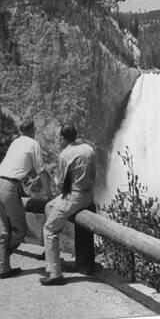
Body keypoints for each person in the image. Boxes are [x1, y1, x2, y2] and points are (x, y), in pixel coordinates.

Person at [0, 118, 51, 279]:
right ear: (32, 130)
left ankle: (2, 266)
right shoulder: (33, 144)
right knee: (20, 229)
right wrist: (49, 195)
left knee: (2, 228)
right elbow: (41, 171)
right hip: (9, 186)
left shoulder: (15, 142)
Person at [40, 121, 96, 286]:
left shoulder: (65, 155)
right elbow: (93, 173)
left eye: (58, 137)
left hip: (73, 196)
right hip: (88, 194)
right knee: (49, 207)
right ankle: (54, 249)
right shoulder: (88, 149)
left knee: (49, 229)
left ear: (63, 138)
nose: (57, 140)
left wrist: (53, 176)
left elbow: (60, 184)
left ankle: (54, 273)